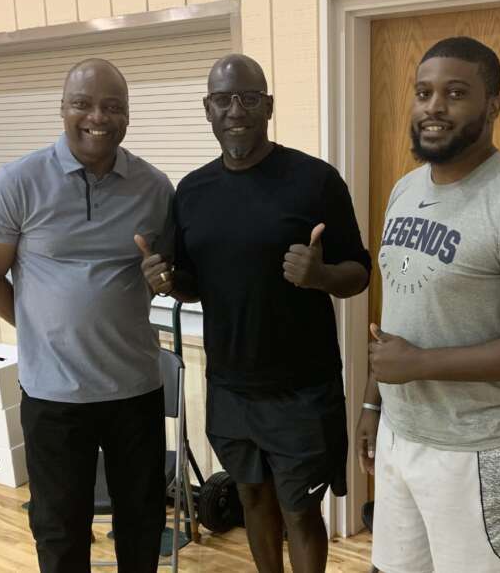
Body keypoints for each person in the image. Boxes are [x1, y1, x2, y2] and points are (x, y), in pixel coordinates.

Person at [136, 53, 371, 573]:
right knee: (253, 502)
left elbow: (359, 271)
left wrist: (322, 276)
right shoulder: (193, 191)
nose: (235, 109)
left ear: (268, 105)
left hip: (302, 390)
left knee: (300, 511)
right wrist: (168, 282)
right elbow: (193, 284)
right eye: (223, 99)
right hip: (230, 386)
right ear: (208, 109)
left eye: (247, 97)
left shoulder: (315, 180)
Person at [356, 36, 500, 573]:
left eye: (455, 93)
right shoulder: (405, 189)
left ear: (493, 105)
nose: (434, 106)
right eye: (423, 92)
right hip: (401, 433)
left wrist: (420, 366)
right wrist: (373, 403)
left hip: (478, 445)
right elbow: (399, 312)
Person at [0, 58, 174, 573]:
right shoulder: (18, 182)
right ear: (63, 108)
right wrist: (39, 332)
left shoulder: (154, 187)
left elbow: (172, 270)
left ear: (127, 115)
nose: (97, 117)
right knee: (60, 532)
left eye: (112, 106)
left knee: (143, 523)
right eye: (83, 104)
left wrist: (165, 277)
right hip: (54, 397)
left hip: (135, 390)